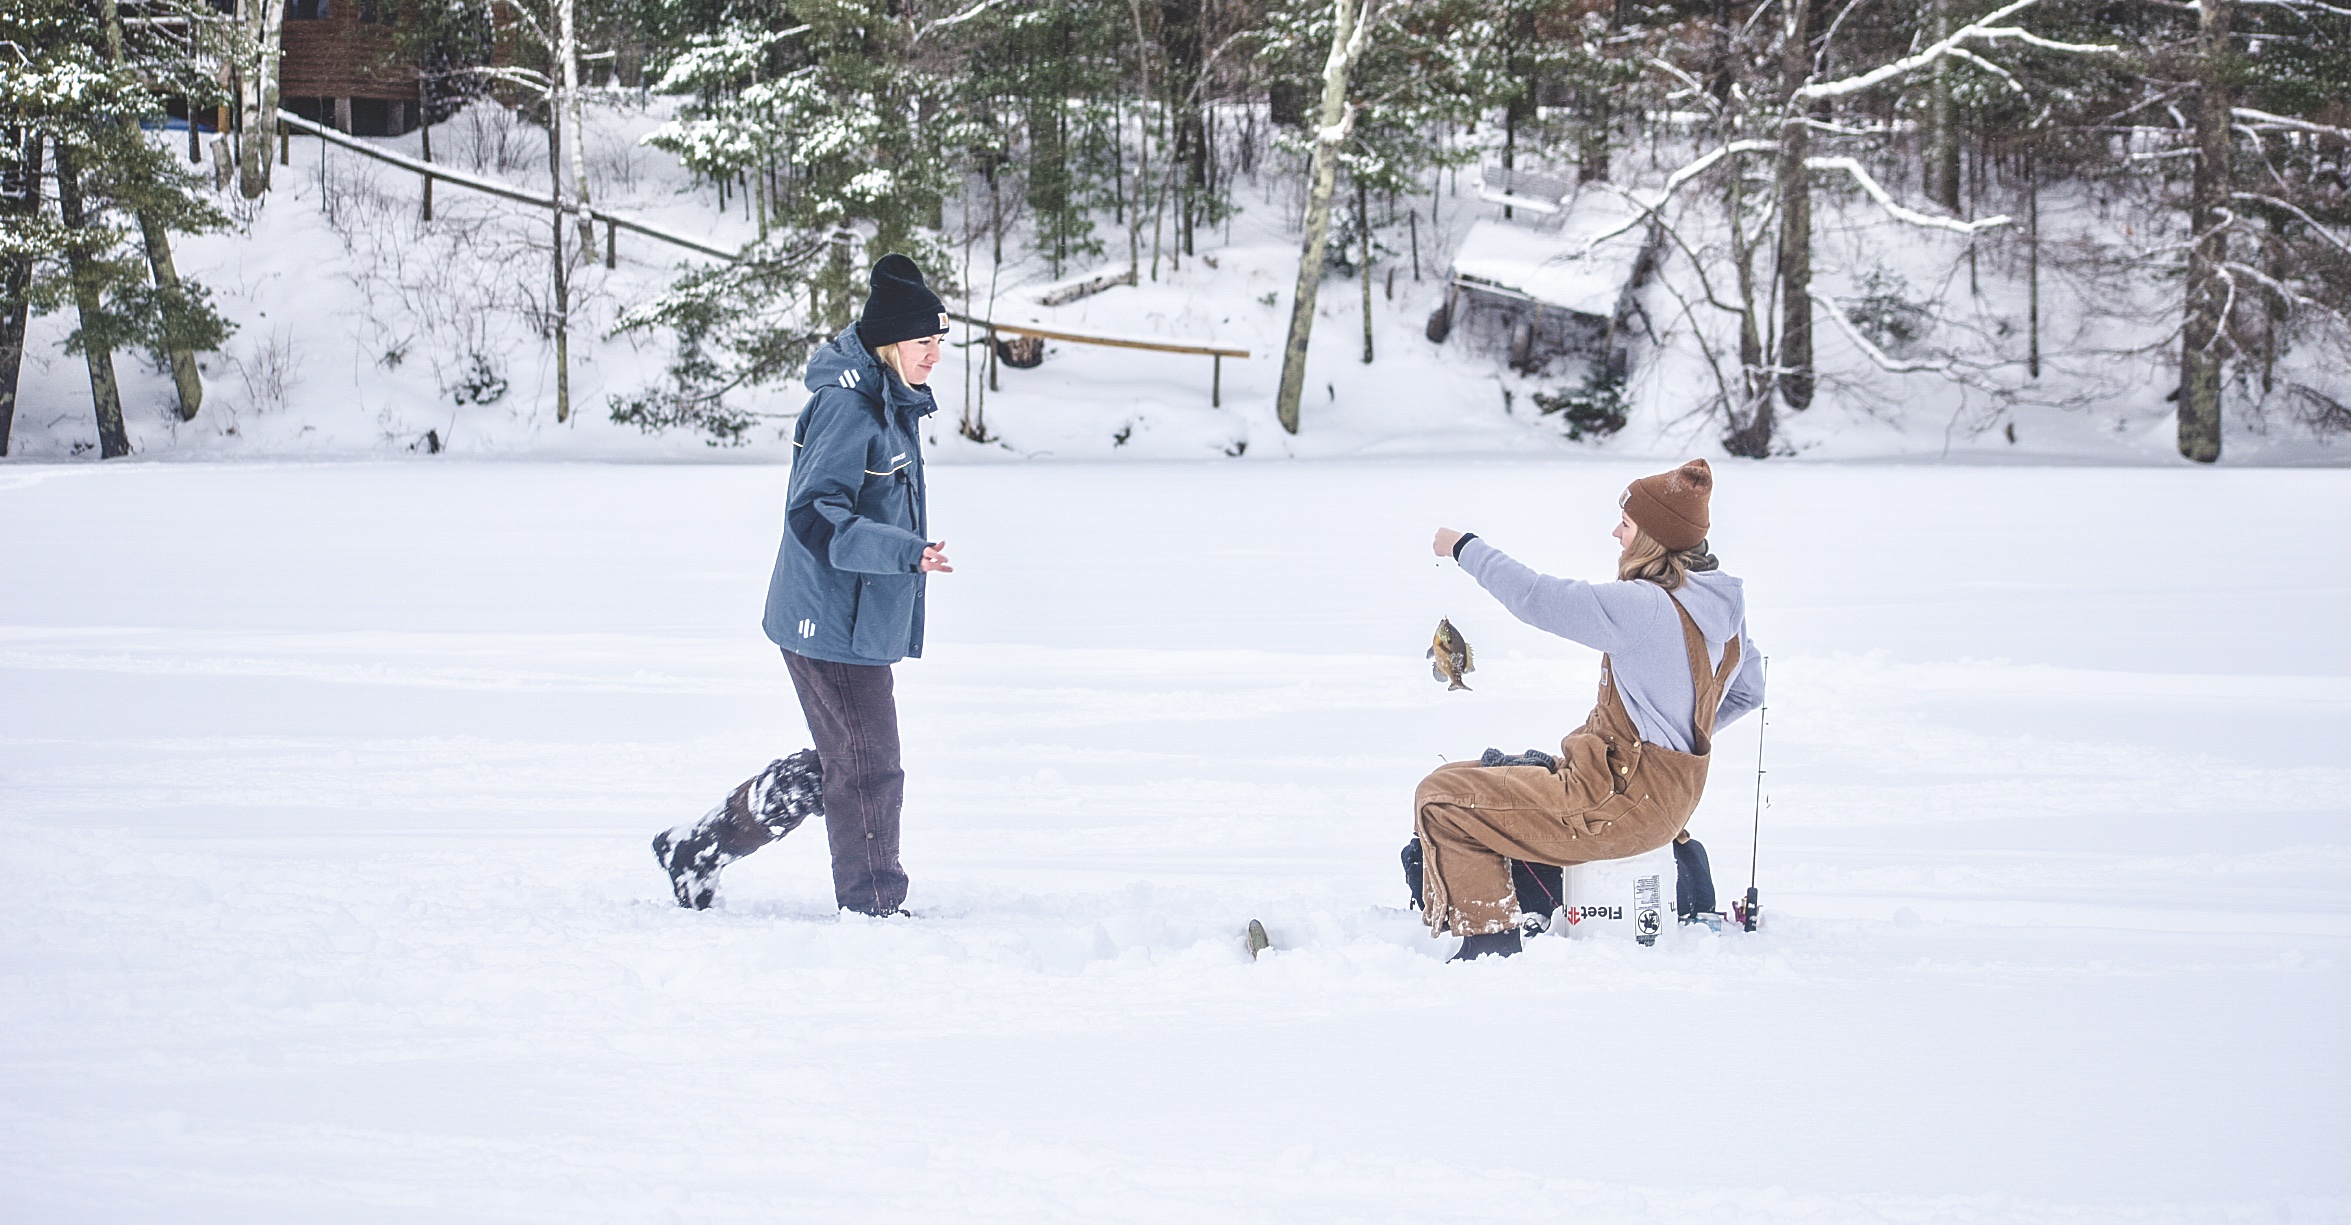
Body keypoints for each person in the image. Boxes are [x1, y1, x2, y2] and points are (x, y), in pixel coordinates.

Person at [652, 254, 956, 914]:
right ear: (888, 342)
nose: (934, 355)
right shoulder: (850, 408)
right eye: (923, 341)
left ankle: (697, 847)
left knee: (843, 764)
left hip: (848, 620)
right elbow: (814, 512)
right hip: (830, 624)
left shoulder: (887, 400)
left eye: (939, 341)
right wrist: (905, 552)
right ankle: (872, 906)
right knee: (868, 766)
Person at [1417, 458, 1764, 960]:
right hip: (1664, 803)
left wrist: (1462, 546)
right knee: (1475, 773)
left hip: (1613, 802)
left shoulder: (1642, 605)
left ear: (1653, 539)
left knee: (1441, 797)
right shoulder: (1724, 608)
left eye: (1626, 525)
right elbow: (1748, 690)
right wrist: (1675, 740)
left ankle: (1489, 946)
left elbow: (1536, 598)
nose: (1616, 534)